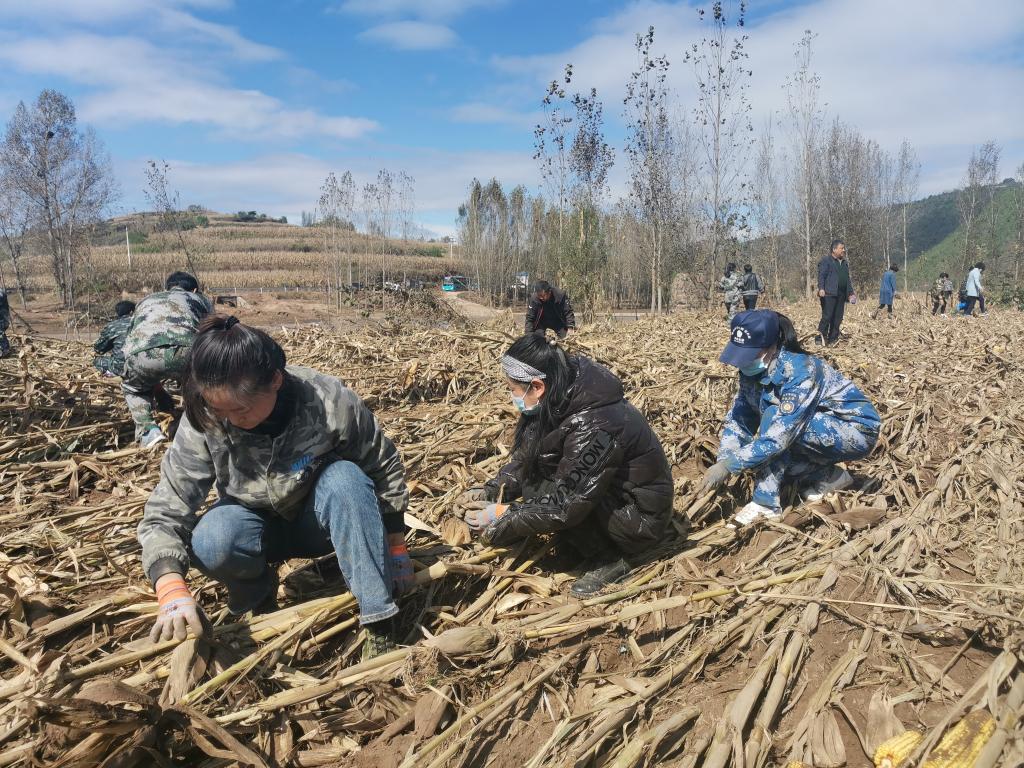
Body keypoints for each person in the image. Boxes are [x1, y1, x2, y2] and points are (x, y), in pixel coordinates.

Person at [137, 316, 413, 660]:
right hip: (255, 529)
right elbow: (167, 508)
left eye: (240, 409)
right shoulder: (206, 417)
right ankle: (256, 596)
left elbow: (381, 464)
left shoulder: (326, 400)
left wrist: (396, 544)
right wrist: (169, 586)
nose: (230, 419)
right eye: (218, 410)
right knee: (211, 539)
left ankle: (379, 619)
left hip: (322, 522)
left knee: (347, 479)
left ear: (275, 381)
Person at [458, 333, 673, 596]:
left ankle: (609, 559)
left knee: (542, 492)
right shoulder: (559, 389)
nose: (511, 396)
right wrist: (493, 490)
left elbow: (565, 503)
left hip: (637, 518)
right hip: (608, 498)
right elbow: (530, 457)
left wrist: (503, 515)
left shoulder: (595, 424)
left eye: (513, 389)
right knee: (536, 482)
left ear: (536, 387)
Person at [700, 310, 880, 528]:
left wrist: (730, 466)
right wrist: (724, 459)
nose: (742, 363)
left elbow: (779, 436)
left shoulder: (801, 370)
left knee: (773, 419)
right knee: (782, 472)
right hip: (808, 429)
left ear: (770, 347)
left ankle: (765, 505)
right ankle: (832, 475)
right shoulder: (752, 373)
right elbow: (740, 420)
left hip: (855, 431)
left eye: (749, 356)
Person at [121, 272, 212, 448]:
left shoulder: (146, 301)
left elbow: (130, 336)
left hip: (141, 353)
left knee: (134, 389)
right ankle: (192, 426)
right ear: (194, 289)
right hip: (187, 351)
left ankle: (148, 431)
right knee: (201, 387)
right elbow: (211, 331)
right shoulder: (199, 299)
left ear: (166, 288)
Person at [816, 239, 857, 346]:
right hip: (829, 293)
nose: (844, 250)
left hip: (841, 295)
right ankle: (819, 337)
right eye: (841, 248)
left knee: (838, 317)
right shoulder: (826, 261)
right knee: (827, 316)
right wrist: (821, 288)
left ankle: (832, 339)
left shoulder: (844, 263)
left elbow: (847, 279)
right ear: (834, 249)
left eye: (844, 248)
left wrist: (851, 293)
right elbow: (821, 275)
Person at [93, 300, 136, 377]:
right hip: (147, 365)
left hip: (122, 368)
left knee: (97, 361)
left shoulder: (112, 326)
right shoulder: (143, 323)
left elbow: (98, 349)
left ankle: (112, 374)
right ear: (131, 312)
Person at [0, 288, 10, 359]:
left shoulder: (1, 293)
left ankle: (5, 351)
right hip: (4, 316)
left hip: (2, 317)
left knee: (1, 333)